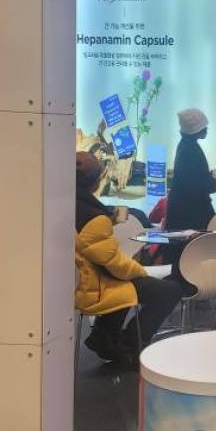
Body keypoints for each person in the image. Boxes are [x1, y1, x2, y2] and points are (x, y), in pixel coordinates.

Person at [75, 152, 183, 367]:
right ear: (96, 182)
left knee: (130, 286)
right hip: (94, 286)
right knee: (170, 290)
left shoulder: (66, 206)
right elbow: (114, 264)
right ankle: (131, 343)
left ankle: (106, 338)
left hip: (83, 281)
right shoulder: (93, 218)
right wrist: (139, 270)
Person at [166, 108, 216, 233]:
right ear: (196, 129)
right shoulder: (191, 150)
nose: (207, 129)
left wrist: (209, 177)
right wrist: (215, 181)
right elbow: (199, 185)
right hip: (192, 216)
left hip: (182, 213)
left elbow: (192, 179)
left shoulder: (184, 147)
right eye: (204, 126)